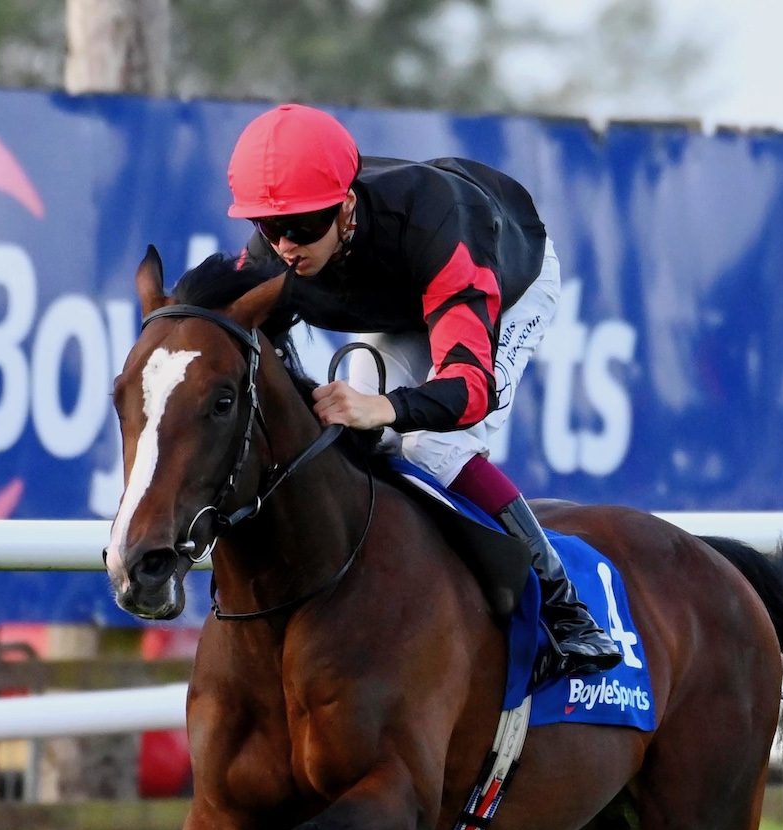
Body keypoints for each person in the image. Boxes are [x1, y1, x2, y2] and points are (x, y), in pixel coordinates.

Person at [225, 102, 621, 681]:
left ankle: (564, 609)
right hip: (405, 297)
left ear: (347, 206)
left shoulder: (439, 225)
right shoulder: (272, 256)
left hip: (502, 283)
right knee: (368, 445)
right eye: (269, 226)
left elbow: (467, 391)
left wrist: (383, 407)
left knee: (431, 447)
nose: (286, 245)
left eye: (304, 225)